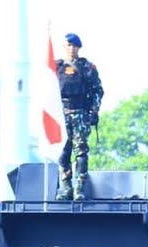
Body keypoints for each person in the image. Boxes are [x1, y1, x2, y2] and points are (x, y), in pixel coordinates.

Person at [54, 33, 104, 201]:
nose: (72, 49)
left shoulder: (87, 67)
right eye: (68, 45)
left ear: (79, 48)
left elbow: (98, 91)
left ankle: (79, 187)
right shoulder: (56, 67)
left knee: (81, 151)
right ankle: (66, 187)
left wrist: (94, 112)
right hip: (61, 115)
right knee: (63, 151)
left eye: (74, 46)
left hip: (80, 113)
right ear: (64, 47)